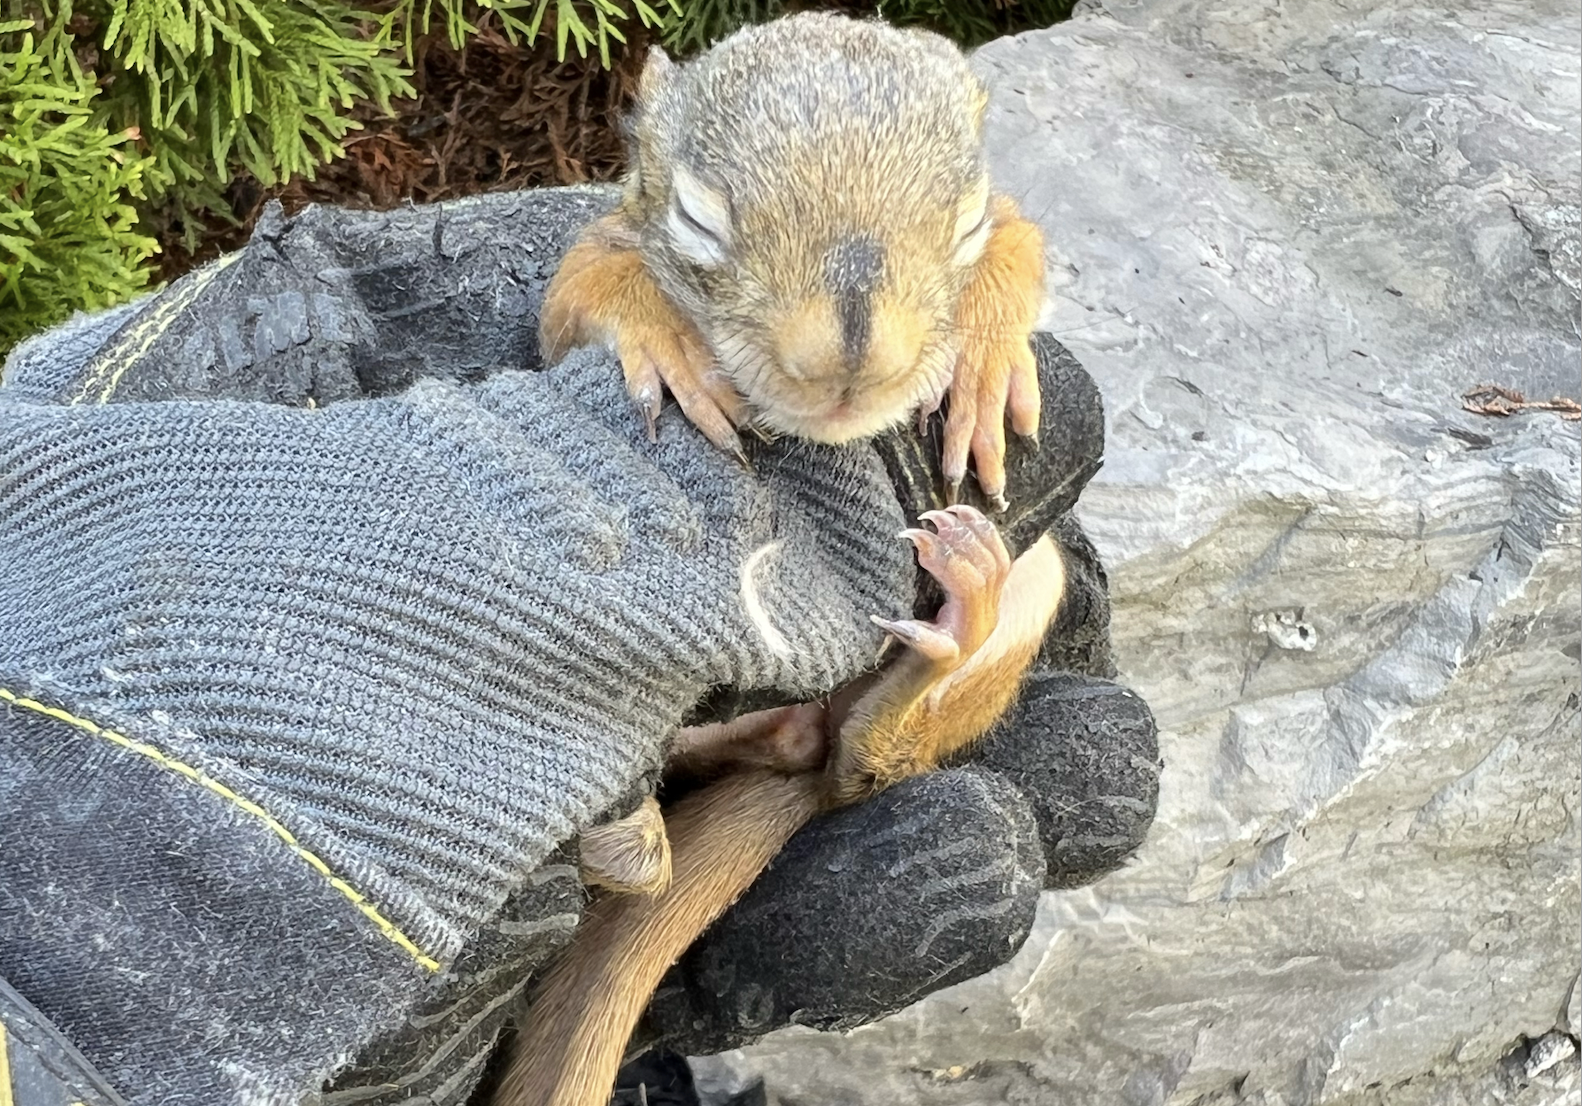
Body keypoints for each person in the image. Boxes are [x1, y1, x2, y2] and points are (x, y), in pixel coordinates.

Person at [0, 188, 1160, 1106]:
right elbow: (597, 286)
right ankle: (681, 763)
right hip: (683, 698)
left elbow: (1003, 245)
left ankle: (772, 731)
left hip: (826, 688)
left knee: (1017, 588)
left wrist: (927, 674)